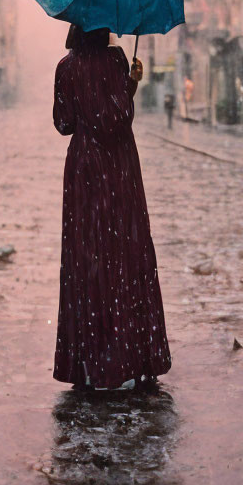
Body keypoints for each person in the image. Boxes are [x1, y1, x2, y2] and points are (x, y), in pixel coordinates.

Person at [52, 25, 172, 390]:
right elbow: (118, 118)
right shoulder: (116, 61)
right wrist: (131, 84)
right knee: (124, 253)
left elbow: (63, 123)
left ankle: (86, 361)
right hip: (118, 168)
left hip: (84, 169)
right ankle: (131, 356)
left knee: (85, 258)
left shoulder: (65, 67)